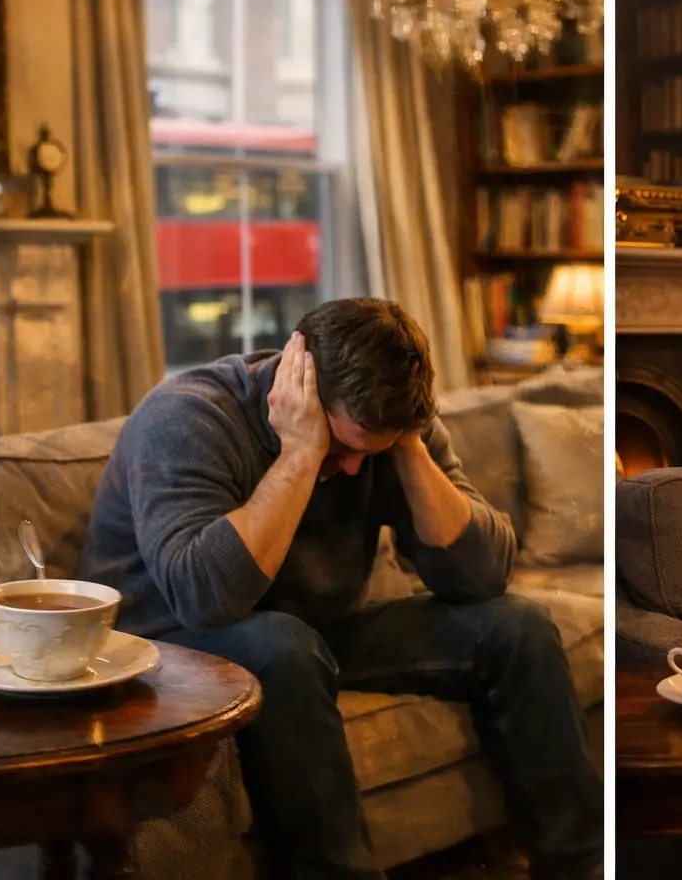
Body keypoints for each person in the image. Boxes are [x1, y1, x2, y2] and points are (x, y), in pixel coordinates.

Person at [78, 297, 603, 880]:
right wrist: (303, 456)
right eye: (342, 446)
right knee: (283, 646)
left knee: (517, 628)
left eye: (370, 450)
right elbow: (205, 600)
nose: (353, 468)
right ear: (295, 381)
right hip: (167, 645)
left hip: (313, 635)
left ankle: (580, 865)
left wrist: (407, 447)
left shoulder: (393, 427)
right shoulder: (187, 418)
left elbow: (481, 576)